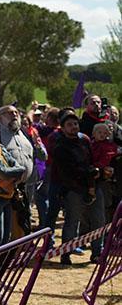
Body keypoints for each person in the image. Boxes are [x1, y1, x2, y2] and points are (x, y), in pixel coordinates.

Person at [51, 111, 104, 265]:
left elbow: (92, 160)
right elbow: (67, 171)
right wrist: (87, 174)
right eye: (69, 125)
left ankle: (97, 253)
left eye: (75, 124)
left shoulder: (85, 140)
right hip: (74, 188)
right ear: (63, 128)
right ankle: (66, 253)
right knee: (72, 222)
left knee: (98, 220)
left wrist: (97, 173)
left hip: (93, 184)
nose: (74, 127)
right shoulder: (60, 146)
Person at [0, 106, 32, 251]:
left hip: (20, 188)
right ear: (0, 117)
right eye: (9, 113)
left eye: (16, 112)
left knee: (9, 232)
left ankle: (1, 263)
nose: (14, 115)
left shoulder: (23, 134)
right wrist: (18, 171)